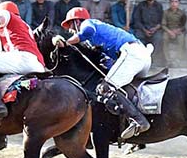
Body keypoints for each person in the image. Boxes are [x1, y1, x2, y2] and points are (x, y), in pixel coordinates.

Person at [55, 7, 150, 139]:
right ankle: (141, 139)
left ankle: (139, 120)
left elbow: (87, 31)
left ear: (77, 21)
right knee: (127, 89)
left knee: (106, 87)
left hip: (131, 53)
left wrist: (67, 42)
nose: (70, 30)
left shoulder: (88, 23)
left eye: (70, 25)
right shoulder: (96, 36)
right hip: (142, 53)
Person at [0, 1, 47, 126]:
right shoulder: (25, 25)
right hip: (38, 64)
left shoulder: (7, 15)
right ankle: (0, 132)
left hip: (21, 58)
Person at [132, 0, 164, 65]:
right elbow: (137, 20)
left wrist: (155, 28)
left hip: (155, 30)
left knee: (158, 38)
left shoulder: (159, 6)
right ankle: (141, 60)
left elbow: (162, 20)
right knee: (138, 38)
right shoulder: (141, 5)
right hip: (143, 29)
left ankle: (153, 61)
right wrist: (144, 30)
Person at [162, 0, 187, 65]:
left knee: (181, 38)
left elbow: (184, 25)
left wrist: (178, 30)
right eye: (172, 2)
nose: (174, 4)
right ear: (169, 3)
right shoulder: (165, 12)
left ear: (178, 3)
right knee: (164, 38)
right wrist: (170, 32)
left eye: (176, 2)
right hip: (168, 31)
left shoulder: (182, 13)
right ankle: (168, 60)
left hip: (178, 31)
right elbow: (163, 25)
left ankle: (178, 59)